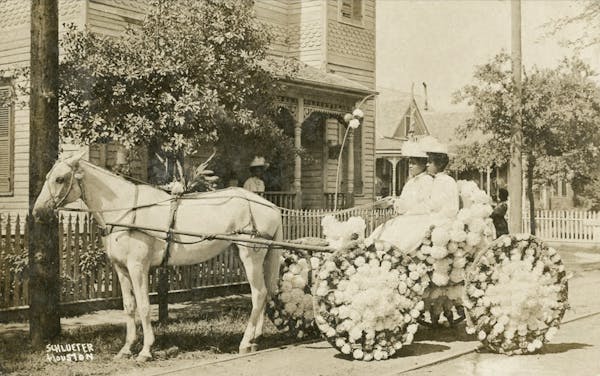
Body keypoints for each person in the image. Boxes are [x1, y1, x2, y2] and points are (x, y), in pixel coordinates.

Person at [369, 136, 458, 253]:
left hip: (437, 217)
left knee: (408, 228)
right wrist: (397, 204)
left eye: (429, 162)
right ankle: (380, 249)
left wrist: (410, 210)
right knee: (390, 227)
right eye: (409, 163)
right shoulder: (421, 181)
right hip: (422, 214)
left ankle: (395, 252)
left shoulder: (439, 181)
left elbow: (433, 205)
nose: (427, 165)